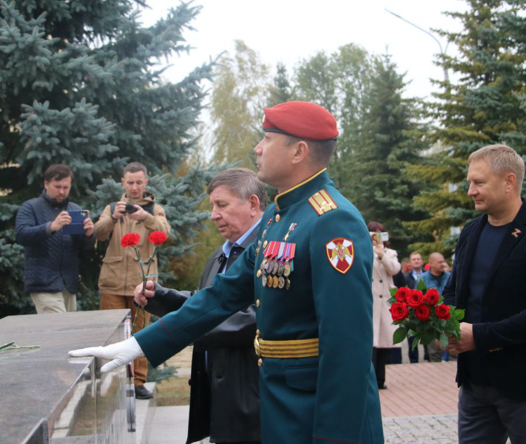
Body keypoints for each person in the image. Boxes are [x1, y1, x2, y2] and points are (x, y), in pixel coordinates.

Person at [71, 101, 384, 443]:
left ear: (299, 151)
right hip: (282, 405)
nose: (257, 148)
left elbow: (346, 348)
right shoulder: (278, 218)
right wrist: (137, 345)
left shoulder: (332, 220)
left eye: (267, 138)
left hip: (319, 416)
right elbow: (221, 296)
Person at [444, 144, 526, 444]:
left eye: (479, 182)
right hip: (474, 381)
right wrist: (444, 326)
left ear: (509, 181)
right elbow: (453, 292)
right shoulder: (471, 232)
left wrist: (479, 336)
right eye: (470, 182)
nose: (470, 191)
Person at [136, 168, 265, 443]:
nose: (213, 215)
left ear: (252, 204)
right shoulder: (220, 255)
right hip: (221, 398)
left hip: (253, 401)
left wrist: (182, 328)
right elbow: (206, 303)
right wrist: (162, 298)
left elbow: (251, 319)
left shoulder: (271, 251)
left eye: (222, 205)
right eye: (212, 206)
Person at [93, 161, 170, 400]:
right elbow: (97, 233)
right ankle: (112, 383)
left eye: (139, 182)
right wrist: (112, 218)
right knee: (112, 334)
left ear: (145, 183)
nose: (135, 187)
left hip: (142, 283)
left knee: (141, 334)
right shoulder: (112, 207)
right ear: (123, 183)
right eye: (130, 182)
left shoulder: (155, 209)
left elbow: (165, 233)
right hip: (113, 282)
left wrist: (145, 216)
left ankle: (138, 382)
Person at [15, 164, 94, 313]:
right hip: (43, 283)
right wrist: (51, 226)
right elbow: (21, 235)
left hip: (69, 283)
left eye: (66, 187)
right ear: (46, 184)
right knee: (58, 331)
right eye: (57, 186)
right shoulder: (30, 207)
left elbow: (85, 247)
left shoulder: (74, 209)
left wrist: (88, 234)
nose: (62, 191)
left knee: (67, 331)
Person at [367, 221, 402, 388]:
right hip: (372, 300)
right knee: (372, 342)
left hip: (386, 301)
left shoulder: (390, 252)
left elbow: (394, 269)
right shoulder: (364, 251)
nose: (376, 237)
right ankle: (372, 378)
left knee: (384, 342)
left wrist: (381, 254)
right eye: (372, 233)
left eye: (379, 233)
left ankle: (381, 379)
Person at [419, 252, 451, 362]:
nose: (443, 264)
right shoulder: (422, 279)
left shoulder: (450, 277)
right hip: (431, 322)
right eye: (439, 262)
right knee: (434, 354)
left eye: (443, 261)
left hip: (449, 320)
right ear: (431, 263)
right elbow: (417, 299)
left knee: (454, 351)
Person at [395, 251, 425, 362]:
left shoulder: (427, 275)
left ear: (422, 261)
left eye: (418, 259)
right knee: (412, 339)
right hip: (411, 313)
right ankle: (413, 361)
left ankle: (429, 360)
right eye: (414, 259)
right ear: (410, 263)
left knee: (427, 338)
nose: (416, 261)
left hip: (426, 311)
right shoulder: (405, 278)